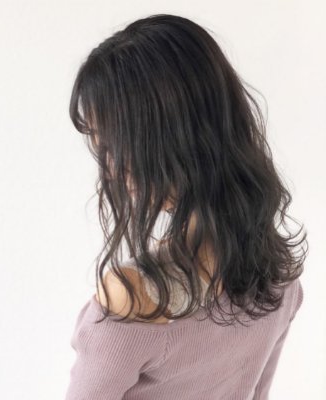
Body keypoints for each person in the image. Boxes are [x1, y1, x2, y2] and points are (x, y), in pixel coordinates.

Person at [65, 13, 307, 399]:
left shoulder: (132, 299)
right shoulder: (279, 279)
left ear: (170, 140)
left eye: (114, 144)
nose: (109, 168)